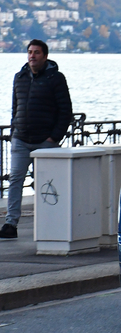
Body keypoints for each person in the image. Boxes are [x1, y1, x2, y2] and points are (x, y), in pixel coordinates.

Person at [0, 39, 73, 239]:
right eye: (30, 52)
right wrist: (15, 129)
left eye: (37, 52)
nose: (32, 56)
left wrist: (54, 137)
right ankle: (10, 224)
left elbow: (65, 111)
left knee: (48, 183)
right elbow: (16, 108)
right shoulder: (20, 77)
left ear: (45, 56)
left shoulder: (56, 79)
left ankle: (50, 222)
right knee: (15, 179)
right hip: (21, 139)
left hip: (45, 141)